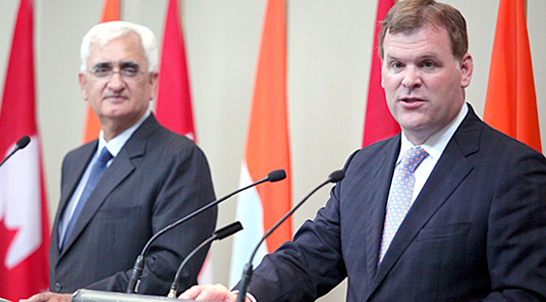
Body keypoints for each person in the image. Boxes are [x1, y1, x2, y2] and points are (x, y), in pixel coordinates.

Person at [180, 0, 546, 301]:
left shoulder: (515, 172)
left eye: (428, 64)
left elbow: (525, 294)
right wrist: (245, 297)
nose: (409, 80)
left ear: (464, 69)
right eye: (396, 64)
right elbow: (311, 256)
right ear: (383, 73)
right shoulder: (363, 166)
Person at [22, 21, 217, 302]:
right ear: (83, 84)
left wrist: (77, 299)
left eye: (129, 69)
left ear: (152, 82)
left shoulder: (180, 158)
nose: (115, 83)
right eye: (102, 69)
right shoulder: (74, 162)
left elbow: (171, 270)